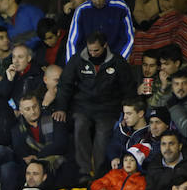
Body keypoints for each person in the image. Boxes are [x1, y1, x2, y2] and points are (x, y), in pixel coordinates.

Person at [56, 31, 135, 181]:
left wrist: (127, 114)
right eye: (90, 49)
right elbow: (65, 84)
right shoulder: (77, 59)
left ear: (105, 46)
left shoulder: (118, 62)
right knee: (80, 126)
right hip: (82, 106)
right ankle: (84, 172)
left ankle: (100, 173)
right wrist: (61, 107)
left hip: (108, 108)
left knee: (103, 133)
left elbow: (129, 89)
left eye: (96, 50)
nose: (92, 53)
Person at [65, 0, 135, 62]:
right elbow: (73, 41)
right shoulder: (81, 10)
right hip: (88, 60)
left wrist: (120, 61)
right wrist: (71, 65)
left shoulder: (121, 7)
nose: (97, 2)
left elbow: (128, 39)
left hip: (115, 58)